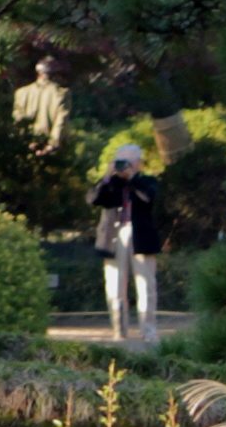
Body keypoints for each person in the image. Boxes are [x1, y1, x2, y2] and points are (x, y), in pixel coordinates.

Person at [88, 143, 167, 338]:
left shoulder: (147, 181)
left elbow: (149, 197)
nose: (123, 167)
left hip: (141, 236)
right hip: (114, 237)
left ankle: (148, 332)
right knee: (114, 286)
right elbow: (93, 199)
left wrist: (132, 178)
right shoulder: (110, 184)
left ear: (138, 164)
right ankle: (119, 331)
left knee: (146, 286)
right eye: (120, 162)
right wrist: (107, 176)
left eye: (128, 163)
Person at [12, 56, 71, 154]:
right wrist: (52, 145)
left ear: (38, 73)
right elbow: (61, 122)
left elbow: (17, 121)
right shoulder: (62, 94)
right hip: (50, 150)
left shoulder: (21, 93)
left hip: (24, 148)